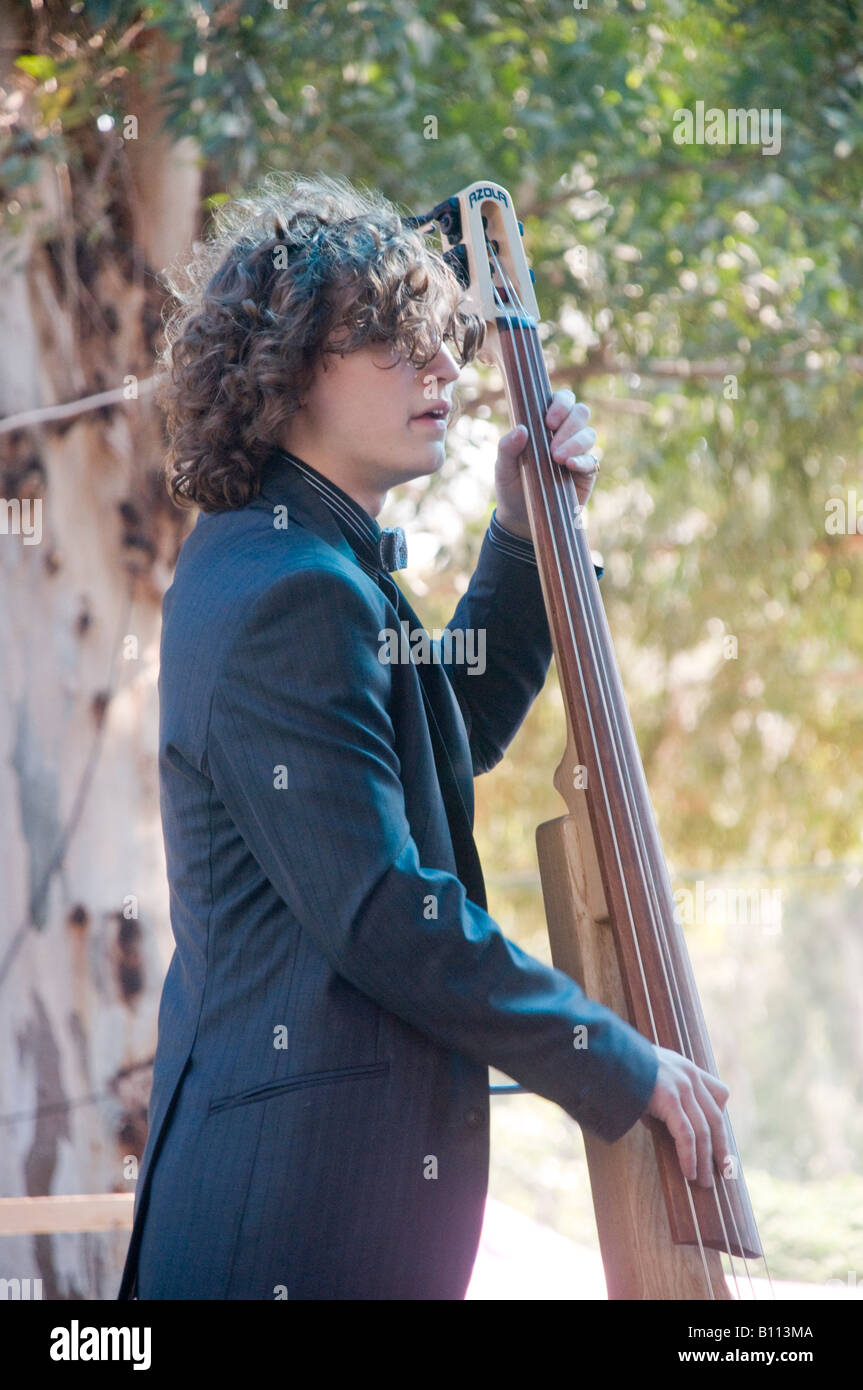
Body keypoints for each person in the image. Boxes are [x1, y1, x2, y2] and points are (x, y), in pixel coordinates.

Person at [117, 171, 730, 1301]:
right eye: (394, 341)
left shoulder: (283, 554)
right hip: (296, 1220)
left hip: (298, 1196)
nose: (445, 365)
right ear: (289, 363)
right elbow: (381, 911)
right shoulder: (292, 586)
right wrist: (615, 1057)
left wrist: (514, 535)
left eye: (441, 338)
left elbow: (444, 741)